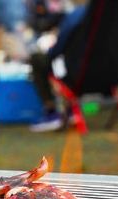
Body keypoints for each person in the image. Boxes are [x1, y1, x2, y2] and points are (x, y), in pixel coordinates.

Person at [29, 4, 87, 132]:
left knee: (37, 59)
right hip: (111, 76)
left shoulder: (76, 15)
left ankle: (51, 112)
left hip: (78, 77)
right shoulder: (116, 14)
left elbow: (55, 52)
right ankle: (69, 110)